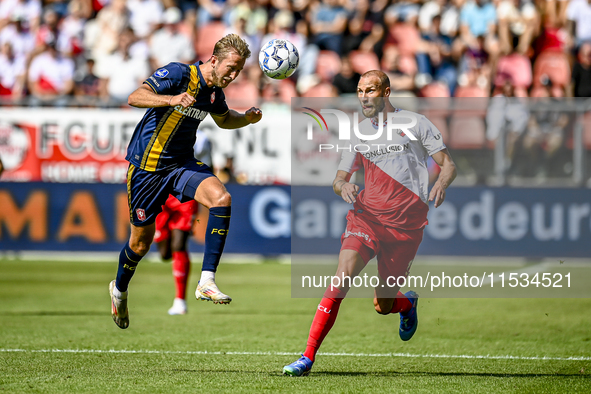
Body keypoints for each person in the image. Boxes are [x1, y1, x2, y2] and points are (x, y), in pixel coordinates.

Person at [283, 70, 457, 376]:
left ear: (386, 93)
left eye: (371, 90)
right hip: (366, 217)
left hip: (405, 227)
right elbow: (339, 178)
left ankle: (406, 304)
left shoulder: (416, 124)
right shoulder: (358, 131)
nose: (364, 96)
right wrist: (344, 187)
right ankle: (307, 357)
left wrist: (441, 182)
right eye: (361, 90)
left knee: (383, 305)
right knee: (340, 279)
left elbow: (448, 164)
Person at [109, 34, 262, 329]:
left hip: (180, 165)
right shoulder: (180, 73)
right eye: (230, 68)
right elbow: (134, 97)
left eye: (239, 71)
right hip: (147, 169)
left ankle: (207, 281)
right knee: (139, 246)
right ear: (214, 60)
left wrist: (247, 118)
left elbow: (224, 119)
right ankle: (119, 289)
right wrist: (171, 99)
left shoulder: (214, 92)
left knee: (222, 198)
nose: (233, 76)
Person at [155, 130, 213, 316]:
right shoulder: (159, 130)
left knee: (179, 244)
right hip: (161, 191)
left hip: (186, 194)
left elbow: (208, 165)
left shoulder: (203, 139)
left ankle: (180, 301)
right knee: (165, 253)